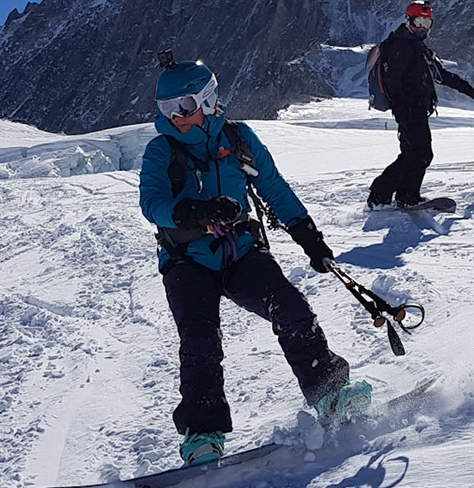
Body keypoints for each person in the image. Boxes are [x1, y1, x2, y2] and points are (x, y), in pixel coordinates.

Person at [140, 56, 371, 465]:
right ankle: (202, 434)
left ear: (208, 100)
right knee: (199, 339)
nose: (177, 117)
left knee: (292, 309)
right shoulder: (161, 151)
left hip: (242, 251)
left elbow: (274, 189)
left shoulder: (240, 139)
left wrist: (308, 236)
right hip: (186, 260)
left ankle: (331, 393)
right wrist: (195, 213)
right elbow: (152, 204)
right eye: (168, 109)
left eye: (186, 105)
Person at [366, 0, 474, 210]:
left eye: (427, 23)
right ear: (408, 20)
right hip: (409, 110)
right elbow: (393, 81)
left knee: (412, 153)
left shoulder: (416, 46)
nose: (422, 27)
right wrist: (403, 110)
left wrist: (471, 92)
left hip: (415, 109)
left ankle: (385, 195)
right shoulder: (401, 45)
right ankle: (399, 195)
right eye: (418, 21)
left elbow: (440, 74)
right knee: (421, 153)